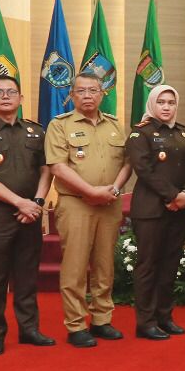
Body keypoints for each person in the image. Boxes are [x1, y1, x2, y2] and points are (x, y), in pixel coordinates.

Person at [0, 75, 54, 356]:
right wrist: (20, 202)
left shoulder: (36, 132)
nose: (6, 96)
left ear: (20, 98)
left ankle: (29, 329)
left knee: (28, 276)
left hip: (30, 214)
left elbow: (46, 169)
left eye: (11, 92)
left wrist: (37, 202)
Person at [45, 71, 132, 348]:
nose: (87, 96)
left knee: (105, 265)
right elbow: (57, 166)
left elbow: (129, 162)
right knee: (76, 266)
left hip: (110, 202)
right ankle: (75, 324)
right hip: (76, 204)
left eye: (93, 90)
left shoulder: (116, 126)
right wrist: (91, 191)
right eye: (80, 91)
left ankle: (101, 320)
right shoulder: (60, 125)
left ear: (102, 93)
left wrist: (114, 189)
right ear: (71, 95)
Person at [126, 84, 185, 341]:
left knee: (169, 265)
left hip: (179, 210)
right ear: (152, 105)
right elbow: (143, 170)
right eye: (161, 102)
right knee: (148, 265)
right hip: (151, 210)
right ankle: (145, 322)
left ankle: (165, 317)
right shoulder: (140, 133)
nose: (167, 107)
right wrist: (172, 196)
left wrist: (184, 196)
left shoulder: (184, 133)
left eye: (171, 102)